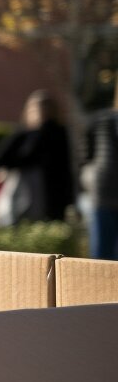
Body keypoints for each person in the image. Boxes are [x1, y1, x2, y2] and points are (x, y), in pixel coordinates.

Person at [0, 90, 74, 228]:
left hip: (49, 190)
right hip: (32, 190)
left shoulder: (57, 133)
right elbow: (2, 155)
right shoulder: (27, 134)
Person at [83, 87, 118, 259]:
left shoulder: (99, 120)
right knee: (102, 253)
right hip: (103, 191)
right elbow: (85, 156)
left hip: (102, 190)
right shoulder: (101, 120)